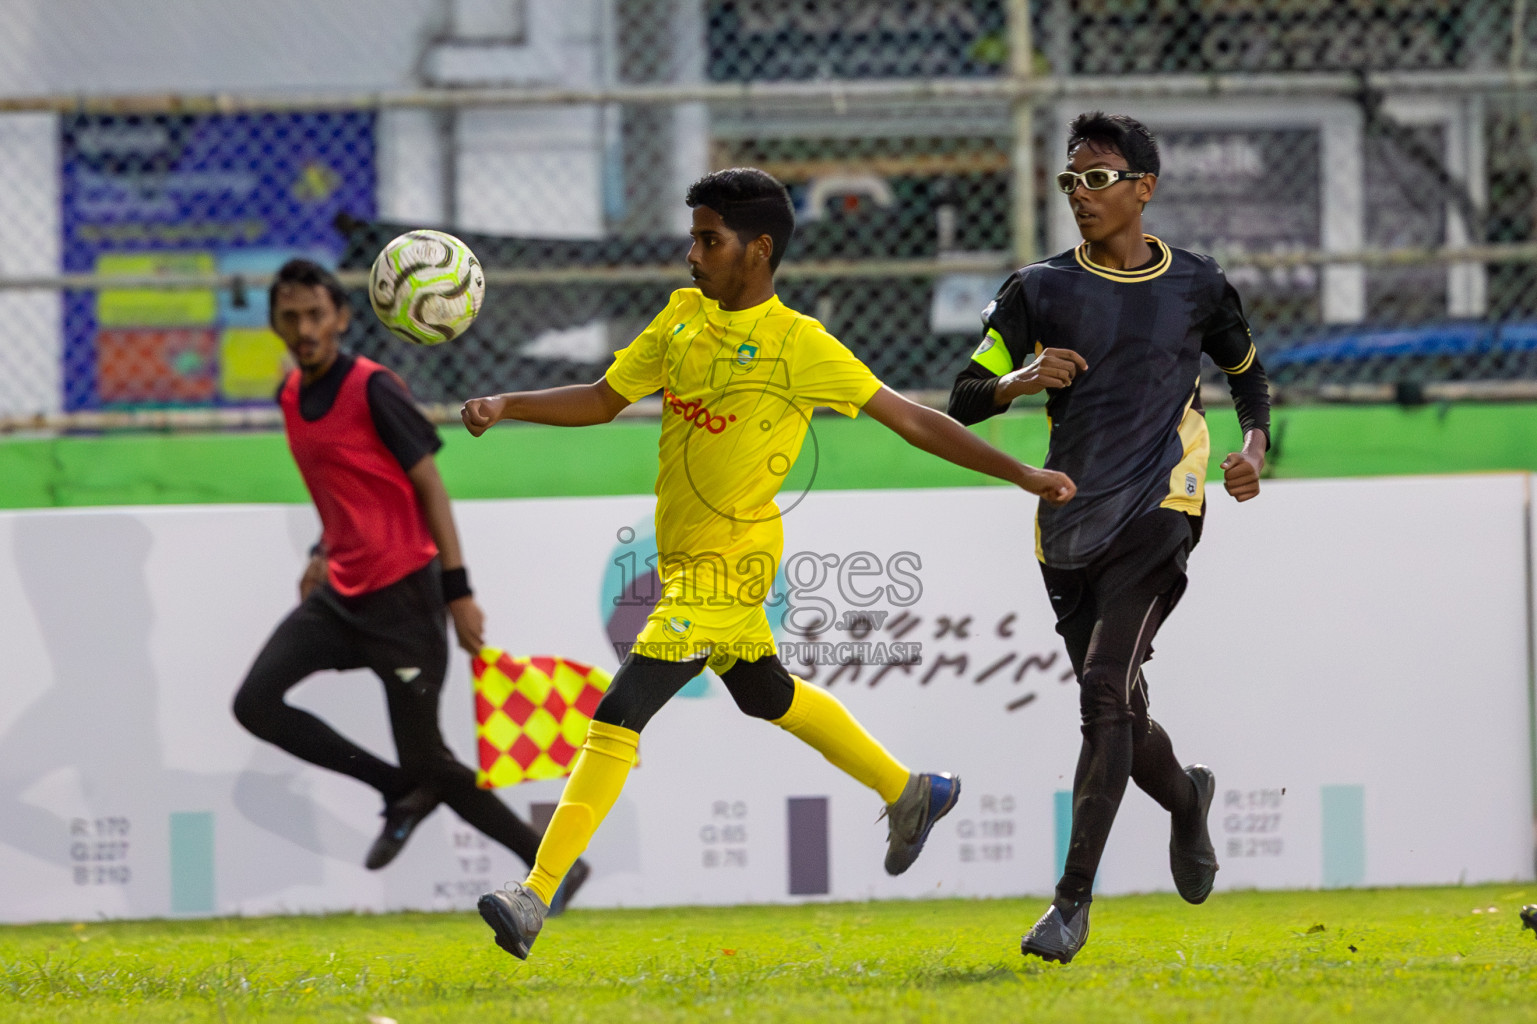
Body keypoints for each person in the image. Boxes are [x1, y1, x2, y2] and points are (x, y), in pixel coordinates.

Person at [462, 167, 1076, 960]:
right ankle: (910, 790)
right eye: (692, 237)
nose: (692, 254)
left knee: (619, 713)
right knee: (765, 693)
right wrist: (508, 404)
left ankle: (534, 894)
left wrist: (1020, 472)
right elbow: (605, 397)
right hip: (683, 555)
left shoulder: (800, 346)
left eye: (708, 240)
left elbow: (914, 420)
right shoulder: (682, 317)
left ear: (757, 250)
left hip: (730, 562)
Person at [948, 112, 1271, 964]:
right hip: (1069, 518)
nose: (1080, 197)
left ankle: (1069, 904)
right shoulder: (1038, 289)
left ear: (1142, 188)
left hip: (1166, 502)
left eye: (1096, 180)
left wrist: (1252, 450)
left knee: (1099, 691)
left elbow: (1246, 376)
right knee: (1120, 706)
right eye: (1069, 182)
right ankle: (1184, 798)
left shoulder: (1197, 285)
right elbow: (963, 395)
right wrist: (1017, 379)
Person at [232, 260, 588, 910]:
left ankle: (552, 865)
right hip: (340, 597)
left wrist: (458, 591)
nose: (304, 328)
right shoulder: (289, 396)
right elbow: (347, 489)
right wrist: (320, 548)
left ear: (340, 318)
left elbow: (427, 485)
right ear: (275, 324)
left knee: (434, 765)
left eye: (316, 314)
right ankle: (398, 790)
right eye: (290, 317)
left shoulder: (373, 387)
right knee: (255, 703)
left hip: (405, 602)